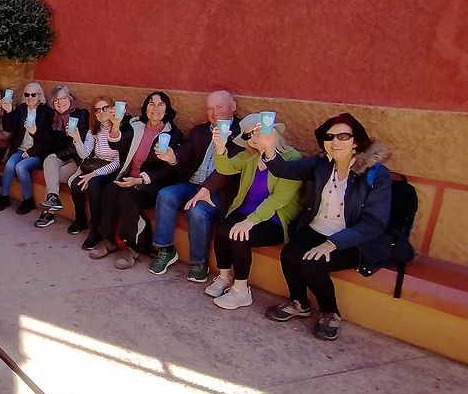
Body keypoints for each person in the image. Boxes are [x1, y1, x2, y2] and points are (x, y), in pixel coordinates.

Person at [264, 113, 392, 340]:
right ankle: (299, 302)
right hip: (317, 228)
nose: (335, 141)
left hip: (352, 238)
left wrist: (333, 244)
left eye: (343, 136)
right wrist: (269, 149)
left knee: (312, 264)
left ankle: (330, 312)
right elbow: (286, 170)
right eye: (329, 137)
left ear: (356, 142)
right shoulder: (322, 164)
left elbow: (374, 223)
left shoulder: (375, 175)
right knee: (290, 254)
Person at [207, 114, 303, 309]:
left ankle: (241, 290)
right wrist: (219, 147)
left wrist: (250, 221)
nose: (254, 138)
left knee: (240, 234)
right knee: (224, 228)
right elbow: (226, 168)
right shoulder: (250, 155)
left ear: (273, 131)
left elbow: (279, 199)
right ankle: (225, 276)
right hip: (246, 210)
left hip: (274, 218)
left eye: (258, 132)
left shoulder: (292, 158)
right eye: (249, 135)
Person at [148, 90, 243, 281]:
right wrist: (173, 157)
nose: (215, 113)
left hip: (218, 191)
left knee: (198, 211)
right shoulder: (200, 131)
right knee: (166, 194)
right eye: (210, 109)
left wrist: (207, 189)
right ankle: (165, 249)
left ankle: (199, 262)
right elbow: (186, 152)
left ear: (233, 106)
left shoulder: (242, 135)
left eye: (220, 107)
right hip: (192, 184)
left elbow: (231, 170)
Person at [89, 91, 184, 269]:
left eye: (160, 104)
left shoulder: (173, 134)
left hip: (151, 185)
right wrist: (115, 126)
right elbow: (117, 144)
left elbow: (168, 170)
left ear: (167, 109)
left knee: (127, 197)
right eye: (151, 104)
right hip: (129, 178)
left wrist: (139, 180)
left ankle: (131, 247)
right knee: (110, 190)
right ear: (145, 108)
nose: (155, 108)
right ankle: (109, 239)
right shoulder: (136, 126)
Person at [66, 97, 122, 239]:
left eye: (105, 108)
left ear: (112, 109)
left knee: (93, 183)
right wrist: (77, 138)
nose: (101, 112)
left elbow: (118, 162)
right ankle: (80, 220)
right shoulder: (93, 130)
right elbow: (84, 154)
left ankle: (96, 229)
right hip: (96, 164)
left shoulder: (120, 128)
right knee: (76, 184)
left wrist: (94, 174)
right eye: (97, 110)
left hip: (113, 169)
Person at [35, 85, 91, 228]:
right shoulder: (51, 117)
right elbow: (46, 141)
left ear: (70, 98)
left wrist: (57, 154)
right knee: (50, 162)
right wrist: (34, 132)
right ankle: (53, 199)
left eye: (63, 98)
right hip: (60, 158)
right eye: (56, 100)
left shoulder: (81, 114)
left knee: (52, 174)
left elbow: (78, 146)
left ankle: (49, 213)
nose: (60, 103)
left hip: (77, 158)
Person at [0, 82, 52, 215]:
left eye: (33, 94)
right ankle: (4, 197)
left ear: (40, 96)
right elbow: (10, 128)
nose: (30, 97)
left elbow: (46, 139)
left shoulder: (46, 112)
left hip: (38, 152)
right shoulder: (21, 109)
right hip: (21, 148)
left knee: (20, 167)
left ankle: (28, 200)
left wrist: (31, 152)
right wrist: (8, 112)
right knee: (9, 165)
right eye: (27, 94)